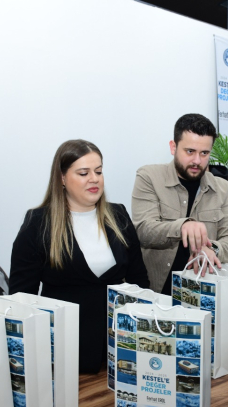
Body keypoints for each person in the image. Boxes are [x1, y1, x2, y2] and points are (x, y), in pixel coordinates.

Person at [10, 139, 149, 374]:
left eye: (99, 171)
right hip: (63, 356)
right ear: (62, 178)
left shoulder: (118, 215)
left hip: (119, 352)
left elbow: (140, 282)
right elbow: (21, 299)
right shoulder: (38, 223)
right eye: (84, 173)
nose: (94, 179)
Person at [131, 113, 228, 294]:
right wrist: (182, 227)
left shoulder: (221, 188)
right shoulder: (149, 177)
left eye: (204, 153)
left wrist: (212, 249)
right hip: (156, 293)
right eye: (190, 151)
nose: (197, 160)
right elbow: (143, 230)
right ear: (173, 147)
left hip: (201, 292)